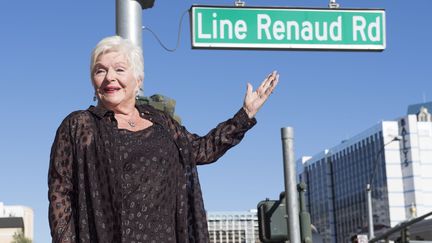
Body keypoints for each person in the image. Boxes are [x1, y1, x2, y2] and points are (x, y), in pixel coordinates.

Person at [48, 36, 279, 243]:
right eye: (100, 71)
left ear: (138, 80)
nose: (109, 77)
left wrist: (245, 114)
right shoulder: (79, 125)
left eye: (119, 69)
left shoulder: (162, 122)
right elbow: (60, 193)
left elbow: (202, 149)